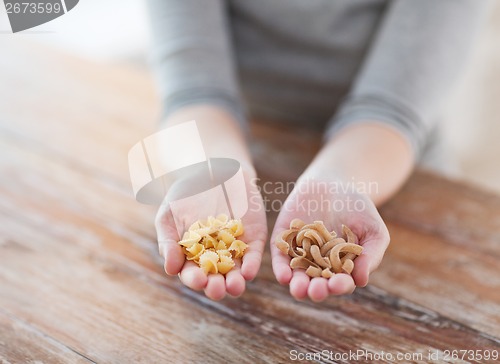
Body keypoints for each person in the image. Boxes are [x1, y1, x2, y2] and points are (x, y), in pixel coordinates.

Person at [147, 0, 490, 302]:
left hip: (385, 168)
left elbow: (391, 113)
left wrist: (339, 178)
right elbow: (193, 94)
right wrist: (212, 171)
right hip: (250, 142)